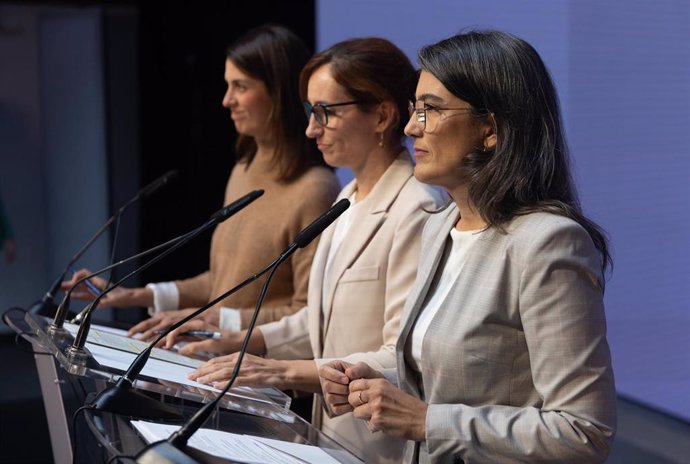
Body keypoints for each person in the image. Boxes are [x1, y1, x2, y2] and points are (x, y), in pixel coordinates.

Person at [319, 30, 617, 463]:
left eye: (430, 110)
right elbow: (460, 379)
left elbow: (582, 431)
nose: (409, 127)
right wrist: (379, 379)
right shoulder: (441, 226)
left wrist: (426, 421)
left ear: (490, 129)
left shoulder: (548, 244)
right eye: (413, 109)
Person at [164, 38, 446, 463]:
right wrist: (238, 340)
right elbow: (318, 322)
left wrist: (281, 370)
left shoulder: (417, 209)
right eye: (310, 113)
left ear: (383, 115)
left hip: (381, 445)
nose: (312, 129)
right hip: (332, 437)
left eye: (325, 113)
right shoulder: (346, 199)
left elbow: (401, 356)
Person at [64, 25, 340, 334]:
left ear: (278, 91)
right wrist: (131, 296)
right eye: (227, 86)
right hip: (215, 362)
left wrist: (213, 320)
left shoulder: (315, 189)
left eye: (241, 87)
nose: (227, 100)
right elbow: (224, 282)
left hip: (261, 374)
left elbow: (306, 315)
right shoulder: (244, 169)